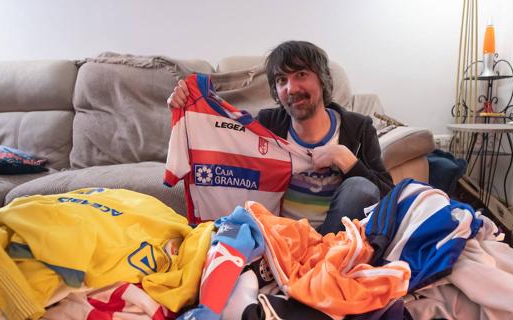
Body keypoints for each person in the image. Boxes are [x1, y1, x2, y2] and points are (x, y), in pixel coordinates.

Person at [167, 40, 393, 234]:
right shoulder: (267, 124)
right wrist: (187, 110)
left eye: (301, 75)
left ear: (322, 80)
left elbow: (387, 197)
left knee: (360, 188)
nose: (291, 88)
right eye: (281, 80)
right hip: (278, 239)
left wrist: (346, 159)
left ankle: (322, 262)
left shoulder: (358, 128)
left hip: (332, 240)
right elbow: (221, 143)